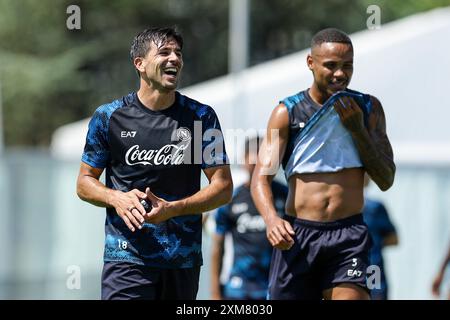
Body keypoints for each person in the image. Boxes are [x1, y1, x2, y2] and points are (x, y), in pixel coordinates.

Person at [76, 27, 233, 300]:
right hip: (126, 257)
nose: (175, 59)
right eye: (164, 52)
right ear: (140, 64)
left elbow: (223, 187)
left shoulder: (201, 117)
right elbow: (84, 182)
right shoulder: (109, 117)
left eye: (178, 53)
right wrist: (117, 198)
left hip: (182, 259)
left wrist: (174, 209)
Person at [251, 28, 395, 300]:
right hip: (299, 236)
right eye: (331, 66)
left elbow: (386, 179)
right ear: (310, 63)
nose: (340, 74)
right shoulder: (286, 112)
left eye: (347, 66)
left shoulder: (368, 109)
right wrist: (271, 220)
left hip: (349, 238)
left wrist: (357, 130)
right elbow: (261, 178)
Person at [210, 136, 288, 300]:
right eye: (253, 162)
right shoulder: (231, 199)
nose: (256, 167)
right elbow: (218, 247)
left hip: (275, 285)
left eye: (261, 162)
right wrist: (215, 293)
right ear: (244, 160)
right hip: (239, 289)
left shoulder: (285, 196)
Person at [362, 174, 398, 300]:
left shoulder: (374, 208)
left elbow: (394, 239)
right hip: (367, 267)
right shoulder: (373, 207)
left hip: (370, 268)